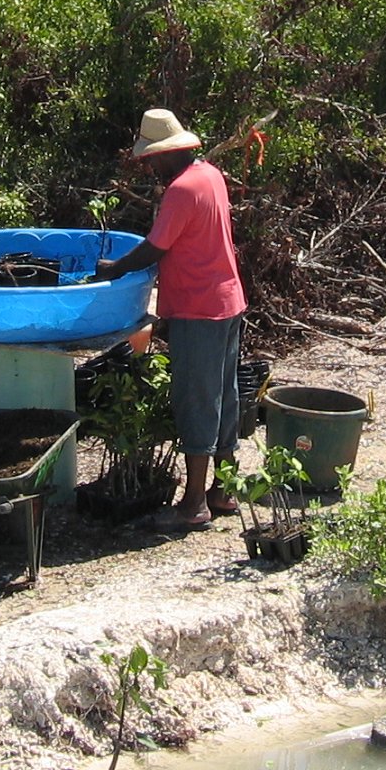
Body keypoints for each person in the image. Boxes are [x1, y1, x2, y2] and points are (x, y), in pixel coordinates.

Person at [95, 108, 248, 531]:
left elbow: (155, 247)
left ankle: (194, 503)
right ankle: (224, 489)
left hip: (199, 307)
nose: (150, 167)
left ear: (166, 154)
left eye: (151, 160)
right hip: (228, 300)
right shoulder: (211, 174)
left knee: (197, 400)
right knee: (224, 395)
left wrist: (115, 269)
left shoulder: (181, 189)